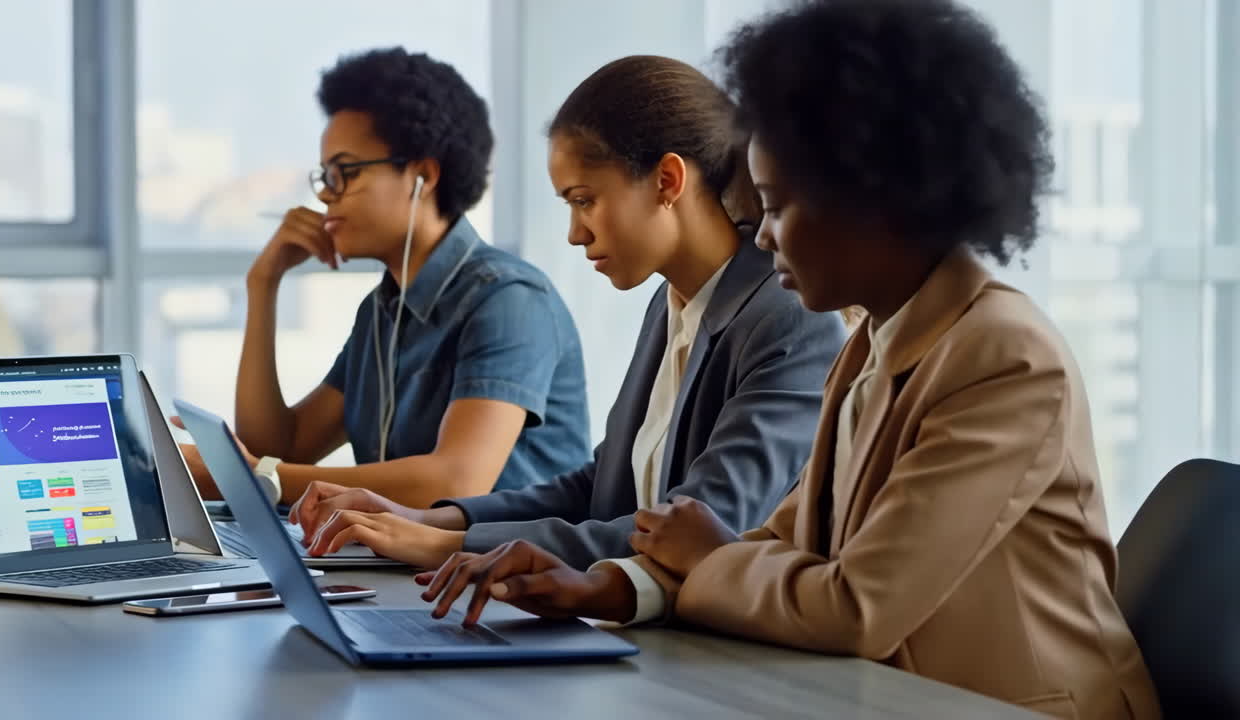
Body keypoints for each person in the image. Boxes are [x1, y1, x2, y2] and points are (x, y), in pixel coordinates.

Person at [414, 2, 1163, 718]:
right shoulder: (875, 338)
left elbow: (856, 606)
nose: (762, 237)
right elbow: (785, 544)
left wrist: (705, 558)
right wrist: (606, 588)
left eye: (774, 205)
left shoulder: (1003, 357)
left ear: (873, 200)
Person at [289, 55, 846, 573]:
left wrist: (447, 545)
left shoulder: (787, 319)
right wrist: (431, 518)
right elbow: (600, 486)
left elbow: (706, 526)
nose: (576, 234)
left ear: (667, 181)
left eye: (584, 200)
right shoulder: (672, 303)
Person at [179, 48, 591, 508]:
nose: (325, 196)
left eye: (344, 173)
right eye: (324, 176)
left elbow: (456, 481)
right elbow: (282, 448)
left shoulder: (508, 300)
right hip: (410, 571)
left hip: (507, 574)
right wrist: (263, 284)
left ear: (423, 175)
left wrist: (254, 477)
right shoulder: (383, 310)